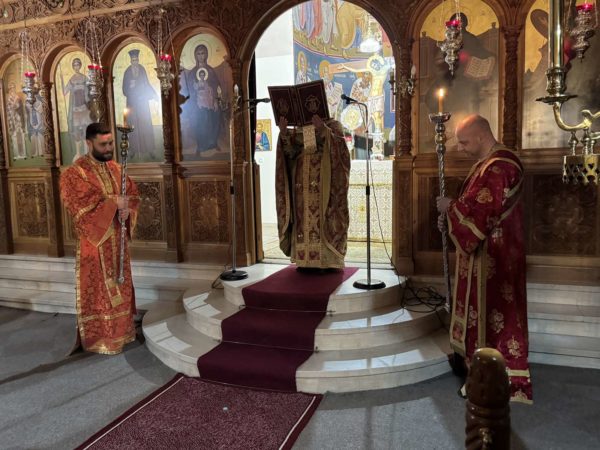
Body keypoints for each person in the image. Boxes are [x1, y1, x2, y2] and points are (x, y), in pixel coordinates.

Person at [436, 115, 531, 404]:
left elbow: (480, 214)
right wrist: (451, 217)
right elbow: (473, 205)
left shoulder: (500, 166)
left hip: (495, 259)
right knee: (485, 316)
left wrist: (449, 208)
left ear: (480, 136)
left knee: (493, 318)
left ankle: (491, 379)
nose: (461, 148)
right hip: (487, 254)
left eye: (464, 142)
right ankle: (478, 371)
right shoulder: (487, 164)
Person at [60, 123, 139, 354]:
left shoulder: (116, 168)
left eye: (111, 143)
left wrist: (128, 210)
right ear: (89, 143)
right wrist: (114, 203)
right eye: (103, 144)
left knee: (121, 285)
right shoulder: (76, 173)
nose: (109, 148)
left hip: (118, 241)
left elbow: (132, 194)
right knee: (101, 292)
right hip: (96, 244)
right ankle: (102, 337)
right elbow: (79, 206)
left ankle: (124, 332)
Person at [276, 114, 350, 269]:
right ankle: (304, 260)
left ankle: (325, 261)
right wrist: (284, 133)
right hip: (300, 184)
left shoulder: (334, 126)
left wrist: (323, 130)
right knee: (302, 219)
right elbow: (291, 153)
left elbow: (341, 150)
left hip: (323, 183)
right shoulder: (299, 128)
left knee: (323, 218)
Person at [179, 44, 222, 157]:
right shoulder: (193, 72)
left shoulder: (210, 71)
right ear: (195, 56)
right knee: (199, 121)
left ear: (206, 55)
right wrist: (195, 90)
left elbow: (216, 86)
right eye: (198, 54)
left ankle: (213, 143)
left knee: (214, 118)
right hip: (197, 103)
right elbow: (189, 90)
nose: (201, 56)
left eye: (203, 53)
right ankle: (200, 145)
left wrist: (215, 100)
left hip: (210, 102)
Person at [122, 49, 158, 160]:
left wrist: (154, 94)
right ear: (130, 61)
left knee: (145, 125)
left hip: (142, 103)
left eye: (136, 60)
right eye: (133, 60)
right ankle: (132, 150)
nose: (135, 62)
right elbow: (124, 90)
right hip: (132, 103)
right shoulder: (127, 72)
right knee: (132, 126)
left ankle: (150, 150)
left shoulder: (142, 69)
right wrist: (130, 87)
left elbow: (147, 83)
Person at [60, 57, 91, 162]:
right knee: (77, 131)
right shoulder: (72, 79)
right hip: (75, 109)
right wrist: (61, 82)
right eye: (74, 65)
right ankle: (78, 153)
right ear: (73, 67)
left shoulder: (84, 78)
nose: (76, 67)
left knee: (86, 130)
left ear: (80, 66)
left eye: (78, 65)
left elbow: (90, 91)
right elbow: (64, 92)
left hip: (84, 108)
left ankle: (87, 153)